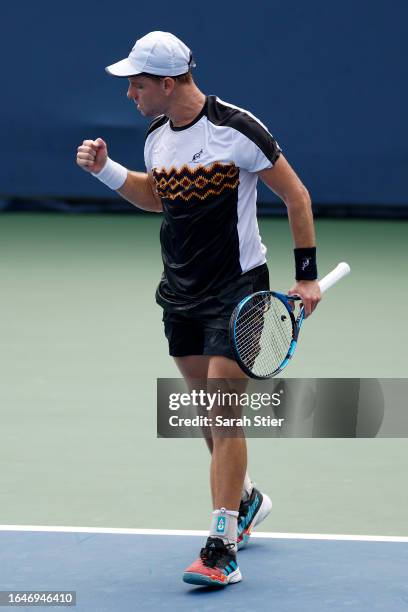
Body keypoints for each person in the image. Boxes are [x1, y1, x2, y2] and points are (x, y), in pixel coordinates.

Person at [76, 30, 321, 587]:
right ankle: (248, 499)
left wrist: (305, 277)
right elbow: (157, 197)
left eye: (137, 84)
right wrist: (106, 171)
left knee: (222, 410)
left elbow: (296, 196)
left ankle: (221, 546)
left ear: (168, 83)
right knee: (208, 416)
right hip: (181, 292)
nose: (130, 94)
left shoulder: (237, 129)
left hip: (237, 290)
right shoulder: (157, 137)